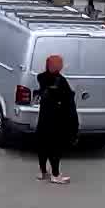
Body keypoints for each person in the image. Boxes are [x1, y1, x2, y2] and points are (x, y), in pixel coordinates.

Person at [35, 54, 79, 184]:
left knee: (42, 144)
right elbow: (67, 99)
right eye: (59, 64)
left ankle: (43, 171)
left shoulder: (42, 78)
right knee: (55, 146)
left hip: (44, 117)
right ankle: (55, 174)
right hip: (57, 118)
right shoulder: (61, 81)